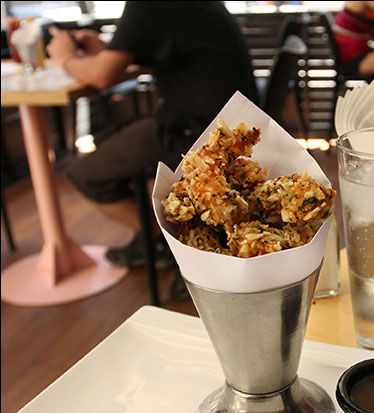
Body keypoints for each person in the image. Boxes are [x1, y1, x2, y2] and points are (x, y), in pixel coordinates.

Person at [46, 1, 257, 299]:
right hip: (228, 124)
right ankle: (162, 240)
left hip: (196, 135)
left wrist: (66, 57)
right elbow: (137, 59)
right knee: (128, 151)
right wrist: (105, 50)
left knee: (86, 174)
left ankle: (175, 245)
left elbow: (101, 76)